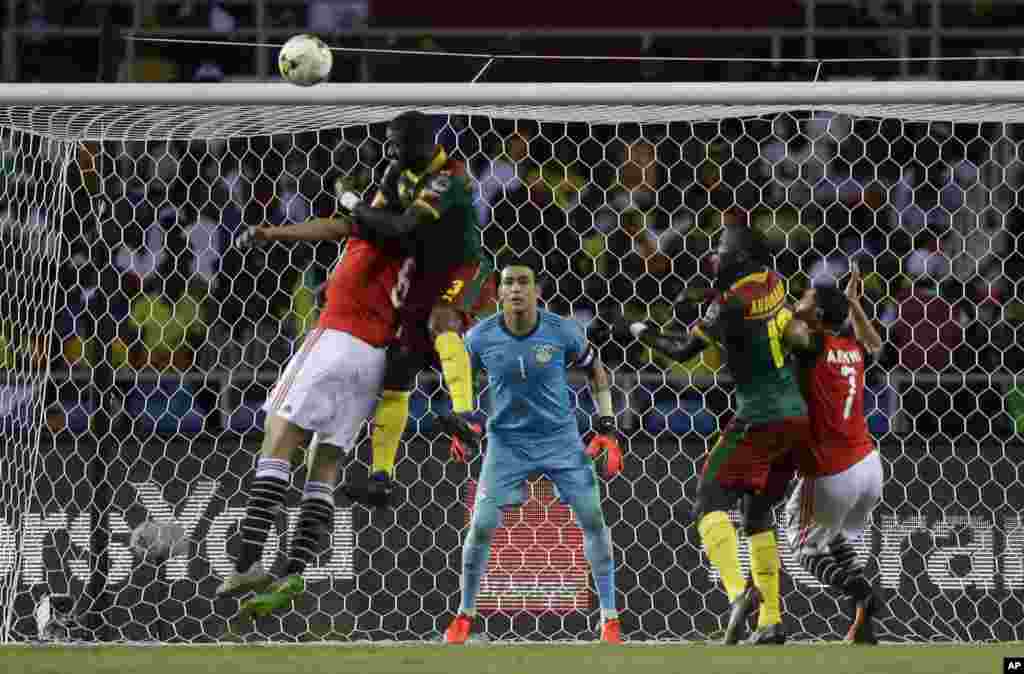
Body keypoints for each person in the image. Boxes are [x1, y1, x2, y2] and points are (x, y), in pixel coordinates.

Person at [218, 110, 486, 618]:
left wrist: (280, 231)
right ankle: (293, 572)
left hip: (338, 336)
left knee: (279, 440)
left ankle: (247, 561)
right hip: (373, 358)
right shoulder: (425, 250)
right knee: (325, 466)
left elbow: (340, 224)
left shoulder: (381, 231)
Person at [612, 224, 810, 645]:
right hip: (795, 416)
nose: (716, 254)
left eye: (722, 247)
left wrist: (642, 332)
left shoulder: (730, 304)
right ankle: (771, 620)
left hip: (758, 416)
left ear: (738, 256)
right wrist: (702, 297)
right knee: (757, 515)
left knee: (709, 501)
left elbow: (683, 350)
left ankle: (738, 592)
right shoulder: (773, 283)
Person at [444, 260, 625, 645]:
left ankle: (610, 618)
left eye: (524, 282)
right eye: (508, 282)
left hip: (560, 440)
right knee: (481, 526)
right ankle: (464, 615)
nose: (516, 289)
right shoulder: (479, 337)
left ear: (536, 290)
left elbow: (597, 370)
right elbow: (460, 378)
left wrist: (606, 425)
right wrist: (463, 419)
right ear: (498, 292)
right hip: (506, 442)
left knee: (592, 518)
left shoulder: (564, 332)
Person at [334, 110, 495, 508]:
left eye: (397, 142)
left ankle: (468, 417)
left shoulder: (450, 177)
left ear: (424, 144)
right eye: (388, 141)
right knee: (398, 371)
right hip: (421, 279)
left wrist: (351, 201)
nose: (390, 149)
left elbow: (401, 227)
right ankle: (380, 479)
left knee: (443, 320)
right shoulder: (396, 172)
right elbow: (375, 228)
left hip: (465, 270)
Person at [780, 264, 885, 644]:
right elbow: (876, 347)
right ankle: (863, 622)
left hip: (831, 470)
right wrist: (855, 304)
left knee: (802, 545)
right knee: (834, 537)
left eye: (805, 296)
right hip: (869, 466)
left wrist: (769, 298)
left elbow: (780, 326)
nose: (798, 299)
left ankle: (863, 595)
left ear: (818, 315)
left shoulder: (815, 344)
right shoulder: (850, 347)